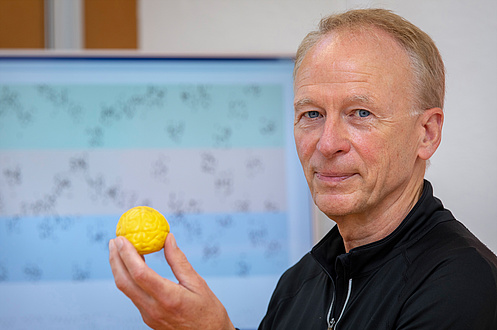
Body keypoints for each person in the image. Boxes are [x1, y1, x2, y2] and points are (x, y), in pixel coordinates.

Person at [109, 8, 497, 329]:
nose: (327, 144)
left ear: (426, 134)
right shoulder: (298, 285)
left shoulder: (464, 287)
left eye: (360, 113)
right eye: (311, 114)